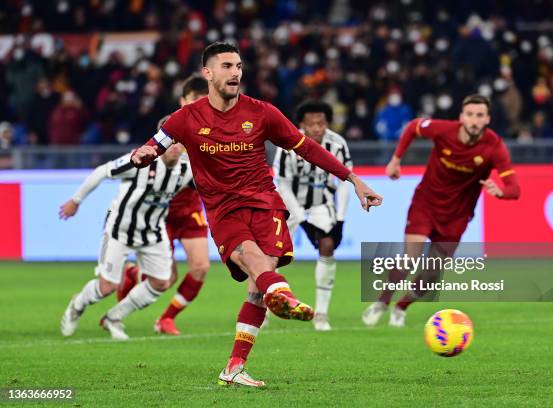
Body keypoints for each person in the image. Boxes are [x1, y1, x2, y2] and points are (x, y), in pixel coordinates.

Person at [130, 42, 382, 387]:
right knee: (253, 259)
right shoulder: (186, 118)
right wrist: (142, 154)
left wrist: (353, 179)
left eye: (238, 66)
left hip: (266, 204)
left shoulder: (262, 112)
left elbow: (307, 147)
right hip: (223, 209)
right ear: (208, 73)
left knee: (256, 287)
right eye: (227, 66)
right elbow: (154, 143)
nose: (235, 72)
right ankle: (283, 294)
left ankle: (235, 365)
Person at [362, 94, 520, 327]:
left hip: (457, 215)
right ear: (461, 117)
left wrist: (501, 192)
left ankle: (401, 306)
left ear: (487, 119)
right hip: (426, 204)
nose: (474, 120)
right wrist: (396, 159)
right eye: (470, 115)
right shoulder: (443, 130)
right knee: (410, 259)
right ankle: (382, 302)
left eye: (480, 115)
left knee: (432, 274)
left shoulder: (494, 146)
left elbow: (515, 189)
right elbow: (413, 127)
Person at [59, 142, 193, 340]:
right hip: (119, 230)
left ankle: (113, 318)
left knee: (161, 282)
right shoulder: (140, 159)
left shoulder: (186, 169)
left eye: (180, 142)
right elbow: (102, 171)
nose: (175, 147)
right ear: (162, 143)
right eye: (171, 142)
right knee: (107, 286)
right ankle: (77, 305)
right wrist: (76, 200)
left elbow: (214, 185)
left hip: (153, 232)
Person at [116, 75, 210, 336]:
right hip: (160, 212)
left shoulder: (216, 128)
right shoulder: (171, 127)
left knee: (201, 267)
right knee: (164, 279)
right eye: (194, 101)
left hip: (190, 207)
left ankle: (166, 319)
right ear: (183, 101)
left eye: (205, 101)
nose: (200, 106)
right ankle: (132, 274)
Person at [273, 100, 352, 331]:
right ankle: (264, 305)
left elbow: (346, 181)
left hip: (321, 203)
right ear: (302, 125)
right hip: (288, 205)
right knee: (271, 255)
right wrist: (301, 219)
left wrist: (340, 218)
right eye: (312, 124)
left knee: (327, 245)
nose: (317, 128)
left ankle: (322, 314)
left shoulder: (337, 143)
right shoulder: (287, 145)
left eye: (321, 123)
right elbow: (283, 184)